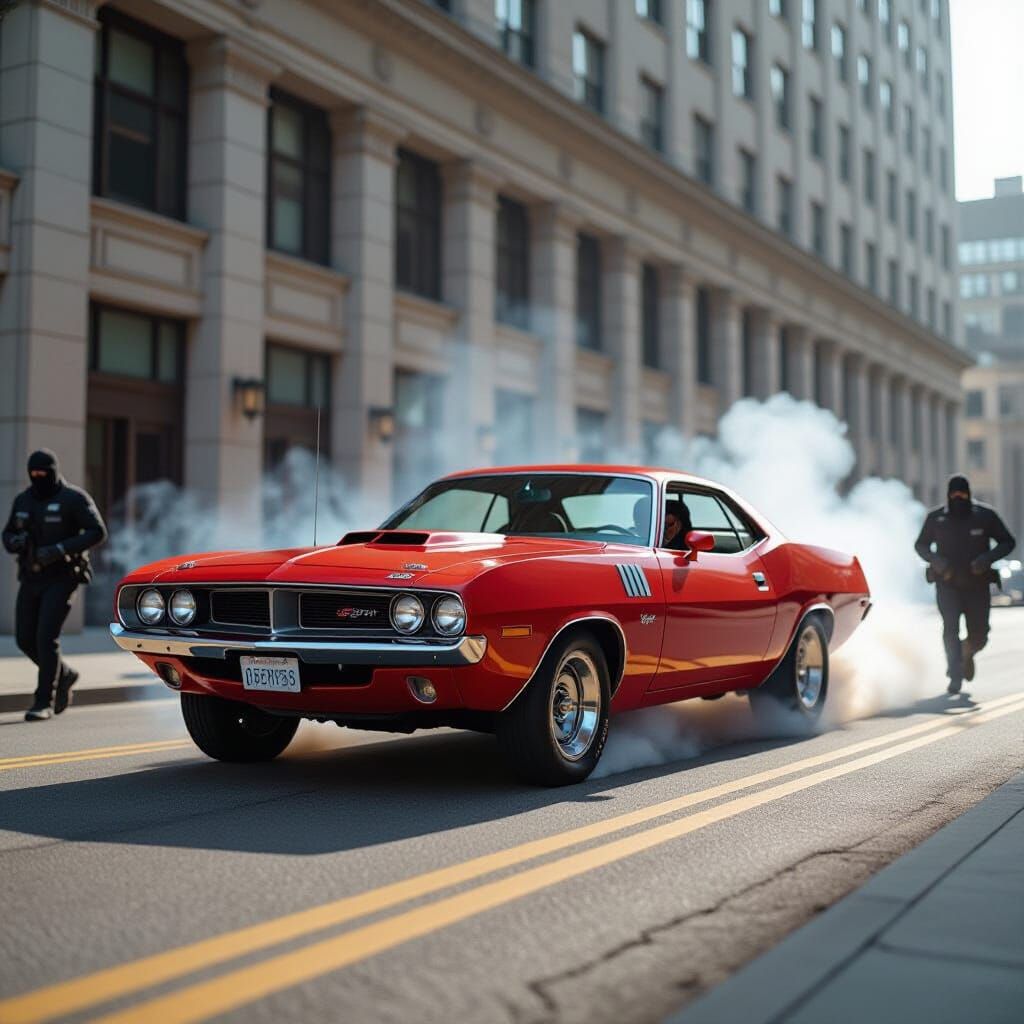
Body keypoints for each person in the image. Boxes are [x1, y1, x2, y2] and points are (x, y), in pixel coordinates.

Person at [2, 450, 107, 720]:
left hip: (62, 577)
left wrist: (60, 549)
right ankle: (65, 674)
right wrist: (14, 541)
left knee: (45, 638)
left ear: (53, 471)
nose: (38, 478)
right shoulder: (23, 500)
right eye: (33, 474)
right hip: (31, 576)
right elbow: (8, 532)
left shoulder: (73, 498)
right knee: (24, 639)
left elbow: (97, 531)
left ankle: (43, 701)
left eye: (43, 473)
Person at [914, 474, 1016, 695]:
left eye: (962, 493)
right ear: (948, 495)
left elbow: (1008, 542)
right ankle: (955, 674)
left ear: (969, 494)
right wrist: (936, 561)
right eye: (954, 494)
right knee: (950, 628)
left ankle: (966, 651)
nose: (958, 497)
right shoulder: (936, 518)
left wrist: (986, 559)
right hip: (947, 584)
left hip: (977, 586)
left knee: (980, 635)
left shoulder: (985, 516)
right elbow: (920, 545)